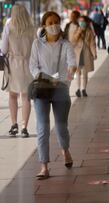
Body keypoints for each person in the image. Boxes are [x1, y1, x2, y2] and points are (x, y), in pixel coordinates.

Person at [29, 11, 77, 179]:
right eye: (50, 22)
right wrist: (43, 77)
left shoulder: (66, 44)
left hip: (61, 89)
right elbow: (33, 66)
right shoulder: (37, 44)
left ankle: (65, 150)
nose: (54, 25)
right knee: (42, 127)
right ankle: (44, 167)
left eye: (56, 22)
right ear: (44, 25)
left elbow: (72, 63)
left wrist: (70, 74)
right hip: (42, 88)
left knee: (61, 125)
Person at [0, 5, 35, 138]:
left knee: (12, 95)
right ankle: (24, 127)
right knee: (26, 97)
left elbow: (3, 49)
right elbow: (35, 49)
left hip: (13, 65)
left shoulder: (8, 27)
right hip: (27, 64)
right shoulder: (32, 29)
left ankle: (14, 124)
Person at [73, 15, 97, 97]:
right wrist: (79, 32)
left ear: (86, 22)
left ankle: (84, 89)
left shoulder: (89, 32)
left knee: (85, 73)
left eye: (83, 21)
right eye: (80, 21)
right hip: (77, 55)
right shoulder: (76, 30)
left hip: (86, 55)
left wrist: (94, 53)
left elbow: (92, 44)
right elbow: (73, 41)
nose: (82, 23)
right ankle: (78, 89)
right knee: (78, 73)